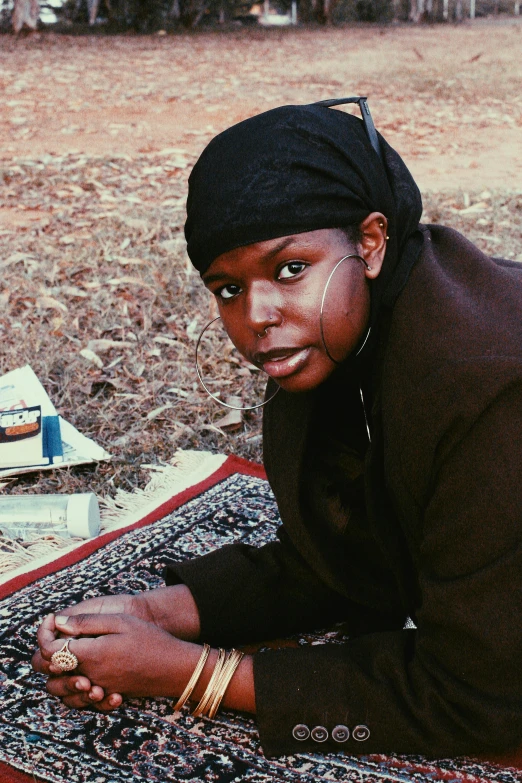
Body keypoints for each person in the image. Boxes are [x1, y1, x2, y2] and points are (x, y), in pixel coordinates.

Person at [32, 101, 522, 764]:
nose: (257, 315)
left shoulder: (484, 389)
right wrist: (152, 615)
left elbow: (483, 699)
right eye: (228, 287)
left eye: (290, 267)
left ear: (371, 242)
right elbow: (350, 552)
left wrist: (190, 675)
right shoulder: (350, 329)